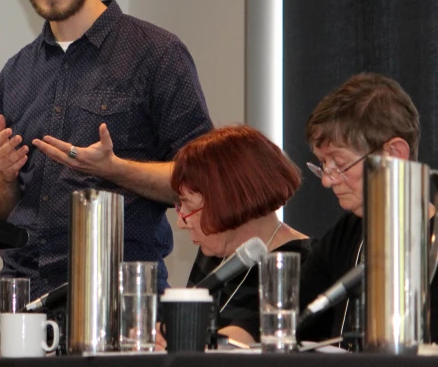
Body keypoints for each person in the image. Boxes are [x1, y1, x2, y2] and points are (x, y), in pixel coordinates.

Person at [0, 0, 212, 343]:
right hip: (20, 307)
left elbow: (203, 182)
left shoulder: (156, 55)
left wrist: (117, 170)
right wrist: (3, 179)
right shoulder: (16, 73)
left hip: (122, 307)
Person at [298, 72, 438, 344]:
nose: (327, 181)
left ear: (394, 154)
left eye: (339, 164)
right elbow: (295, 317)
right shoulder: (346, 234)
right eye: (323, 165)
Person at [167, 125, 308, 346]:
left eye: (188, 205)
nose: (180, 222)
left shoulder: (304, 265)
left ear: (228, 201)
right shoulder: (214, 251)